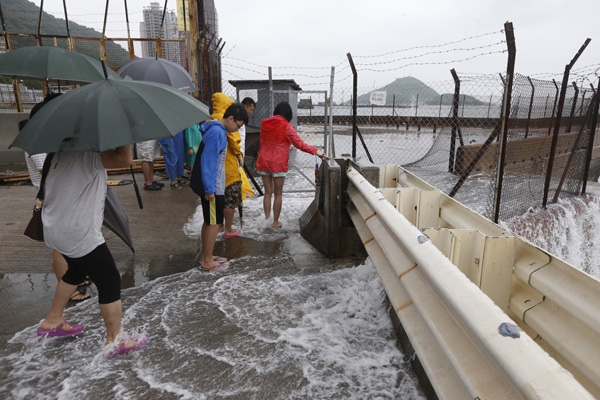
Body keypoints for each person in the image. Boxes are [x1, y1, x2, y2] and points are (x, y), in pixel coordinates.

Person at [37, 143, 148, 357]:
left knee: (76, 271)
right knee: (110, 280)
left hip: (56, 226)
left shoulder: (57, 152)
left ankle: (52, 320)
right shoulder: (86, 153)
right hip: (78, 231)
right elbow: (124, 160)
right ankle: (115, 339)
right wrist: (124, 134)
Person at [190, 102, 248, 271]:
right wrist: (210, 189)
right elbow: (208, 161)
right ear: (230, 118)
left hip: (215, 185)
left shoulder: (216, 130)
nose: (237, 130)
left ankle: (206, 255)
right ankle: (206, 261)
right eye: (237, 126)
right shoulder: (217, 132)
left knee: (210, 221)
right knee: (214, 223)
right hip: (213, 186)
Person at [256, 101, 328, 228]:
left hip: (263, 161)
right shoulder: (286, 127)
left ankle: (267, 219)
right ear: (288, 115)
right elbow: (299, 144)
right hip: (277, 164)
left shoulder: (264, 124)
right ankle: (275, 222)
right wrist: (316, 151)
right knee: (278, 193)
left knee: (267, 192)